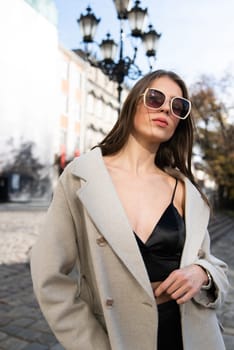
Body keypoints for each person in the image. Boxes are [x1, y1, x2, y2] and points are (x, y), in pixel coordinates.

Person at [30, 69, 229, 350]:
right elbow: (48, 275)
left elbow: (214, 264)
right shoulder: (82, 176)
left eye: (178, 106)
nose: (165, 108)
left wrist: (202, 273)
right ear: (134, 102)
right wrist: (92, 345)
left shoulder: (186, 191)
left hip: (192, 335)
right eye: (155, 97)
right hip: (118, 337)